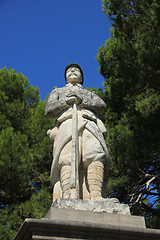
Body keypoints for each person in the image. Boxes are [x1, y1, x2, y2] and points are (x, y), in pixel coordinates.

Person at [45, 63, 110, 200]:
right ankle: (68, 196)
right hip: (67, 123)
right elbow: (49, 110)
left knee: (96, 155)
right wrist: (65, 102)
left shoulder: (89, 93)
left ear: (81, 77)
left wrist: (83, 100)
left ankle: (96, 196)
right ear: (65, 77)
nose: (72, 71)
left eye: (76, 70)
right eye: (69, 70)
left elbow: (101, 105)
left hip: (88, 123)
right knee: (67, 158)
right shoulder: (58, 91)